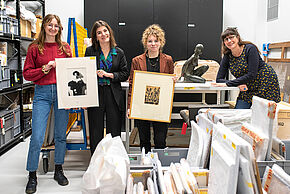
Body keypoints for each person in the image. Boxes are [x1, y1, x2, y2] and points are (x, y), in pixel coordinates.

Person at [23, 14, 72, 193]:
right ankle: (32, 175)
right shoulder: (35, 48)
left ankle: (58, 169)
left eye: (56, 26)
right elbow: (27, 73)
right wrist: (45, 68)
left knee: (60, 135)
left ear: (59, 29)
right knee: (37, 136)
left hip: (61, 93)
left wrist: (71, 98)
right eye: (50, 25)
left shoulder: (65, 48)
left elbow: (71, 74)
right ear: (44, 26)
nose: (53, 28)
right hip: (42, 93)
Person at [127, 24, 175, 153]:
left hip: (161, 106)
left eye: (156, 41)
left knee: (160, 139)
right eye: (150, 41)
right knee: (144, 139)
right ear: (145, 43)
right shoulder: (137, 61)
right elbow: (132, 84)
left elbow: (169, 85)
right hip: (142, 105)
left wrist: (172, 81)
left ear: (161, 42)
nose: (153, 44)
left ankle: (159, 165)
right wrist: (130, 106)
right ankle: (146, 164)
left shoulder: (168, 60)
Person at [85, 20, 129, 155]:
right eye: (99, 33)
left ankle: (113, 159)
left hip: (113, 93)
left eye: (105, 31)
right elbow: (85, 73)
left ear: (109, 32)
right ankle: (96, 161)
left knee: (114, 129)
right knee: (95, 129)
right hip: (96, 93)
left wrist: (109, 75)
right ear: (96, 37)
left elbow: (124, 73)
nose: (103, 34)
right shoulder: (90, 51)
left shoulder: (119, 52)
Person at [212, 27, 281, 108]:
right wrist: (236, 85)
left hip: (264, 83)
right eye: (226, 39)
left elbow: (252, 74)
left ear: (237, 37)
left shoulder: (250, 49)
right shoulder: (228, 56)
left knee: (263, 116)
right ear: (224, 43)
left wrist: (228, 84)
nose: (229, 41)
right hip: (246, 88)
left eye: (231, 37)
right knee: (239, 114)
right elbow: (219, 79)